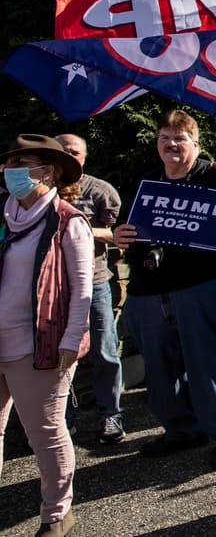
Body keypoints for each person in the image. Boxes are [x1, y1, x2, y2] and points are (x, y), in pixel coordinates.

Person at [112, 110, 216, 469]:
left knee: (212, 363)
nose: (172, 145)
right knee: (160, 369)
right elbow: (125, 228)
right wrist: (120, 235)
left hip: (204, 287)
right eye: (165, 139)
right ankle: (182, 430)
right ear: (157, 143)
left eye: (180, 138)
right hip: (148, 291)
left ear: (196, 143)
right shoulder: (146, 183)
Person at [0, 135, 93, 537]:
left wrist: (71, 340)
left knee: (45, 432)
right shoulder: (1, 217)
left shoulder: (68, 221)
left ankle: (56, 514)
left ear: (49, 172)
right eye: (9, 164)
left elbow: (83, 287)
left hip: (40, 343)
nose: (12, 172)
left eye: (23, 165)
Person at [54, 133, 125, 445]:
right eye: (63, 151)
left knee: (104, 351)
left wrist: (77, 227)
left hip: (94, 282)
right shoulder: (42, 189)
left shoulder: (100, 191)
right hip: (54, 288)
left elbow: (119, 234)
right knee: (58, 356)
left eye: (75, 152)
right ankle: (63, 421)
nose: (70, 155)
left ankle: (111, 414)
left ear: (84, 156)